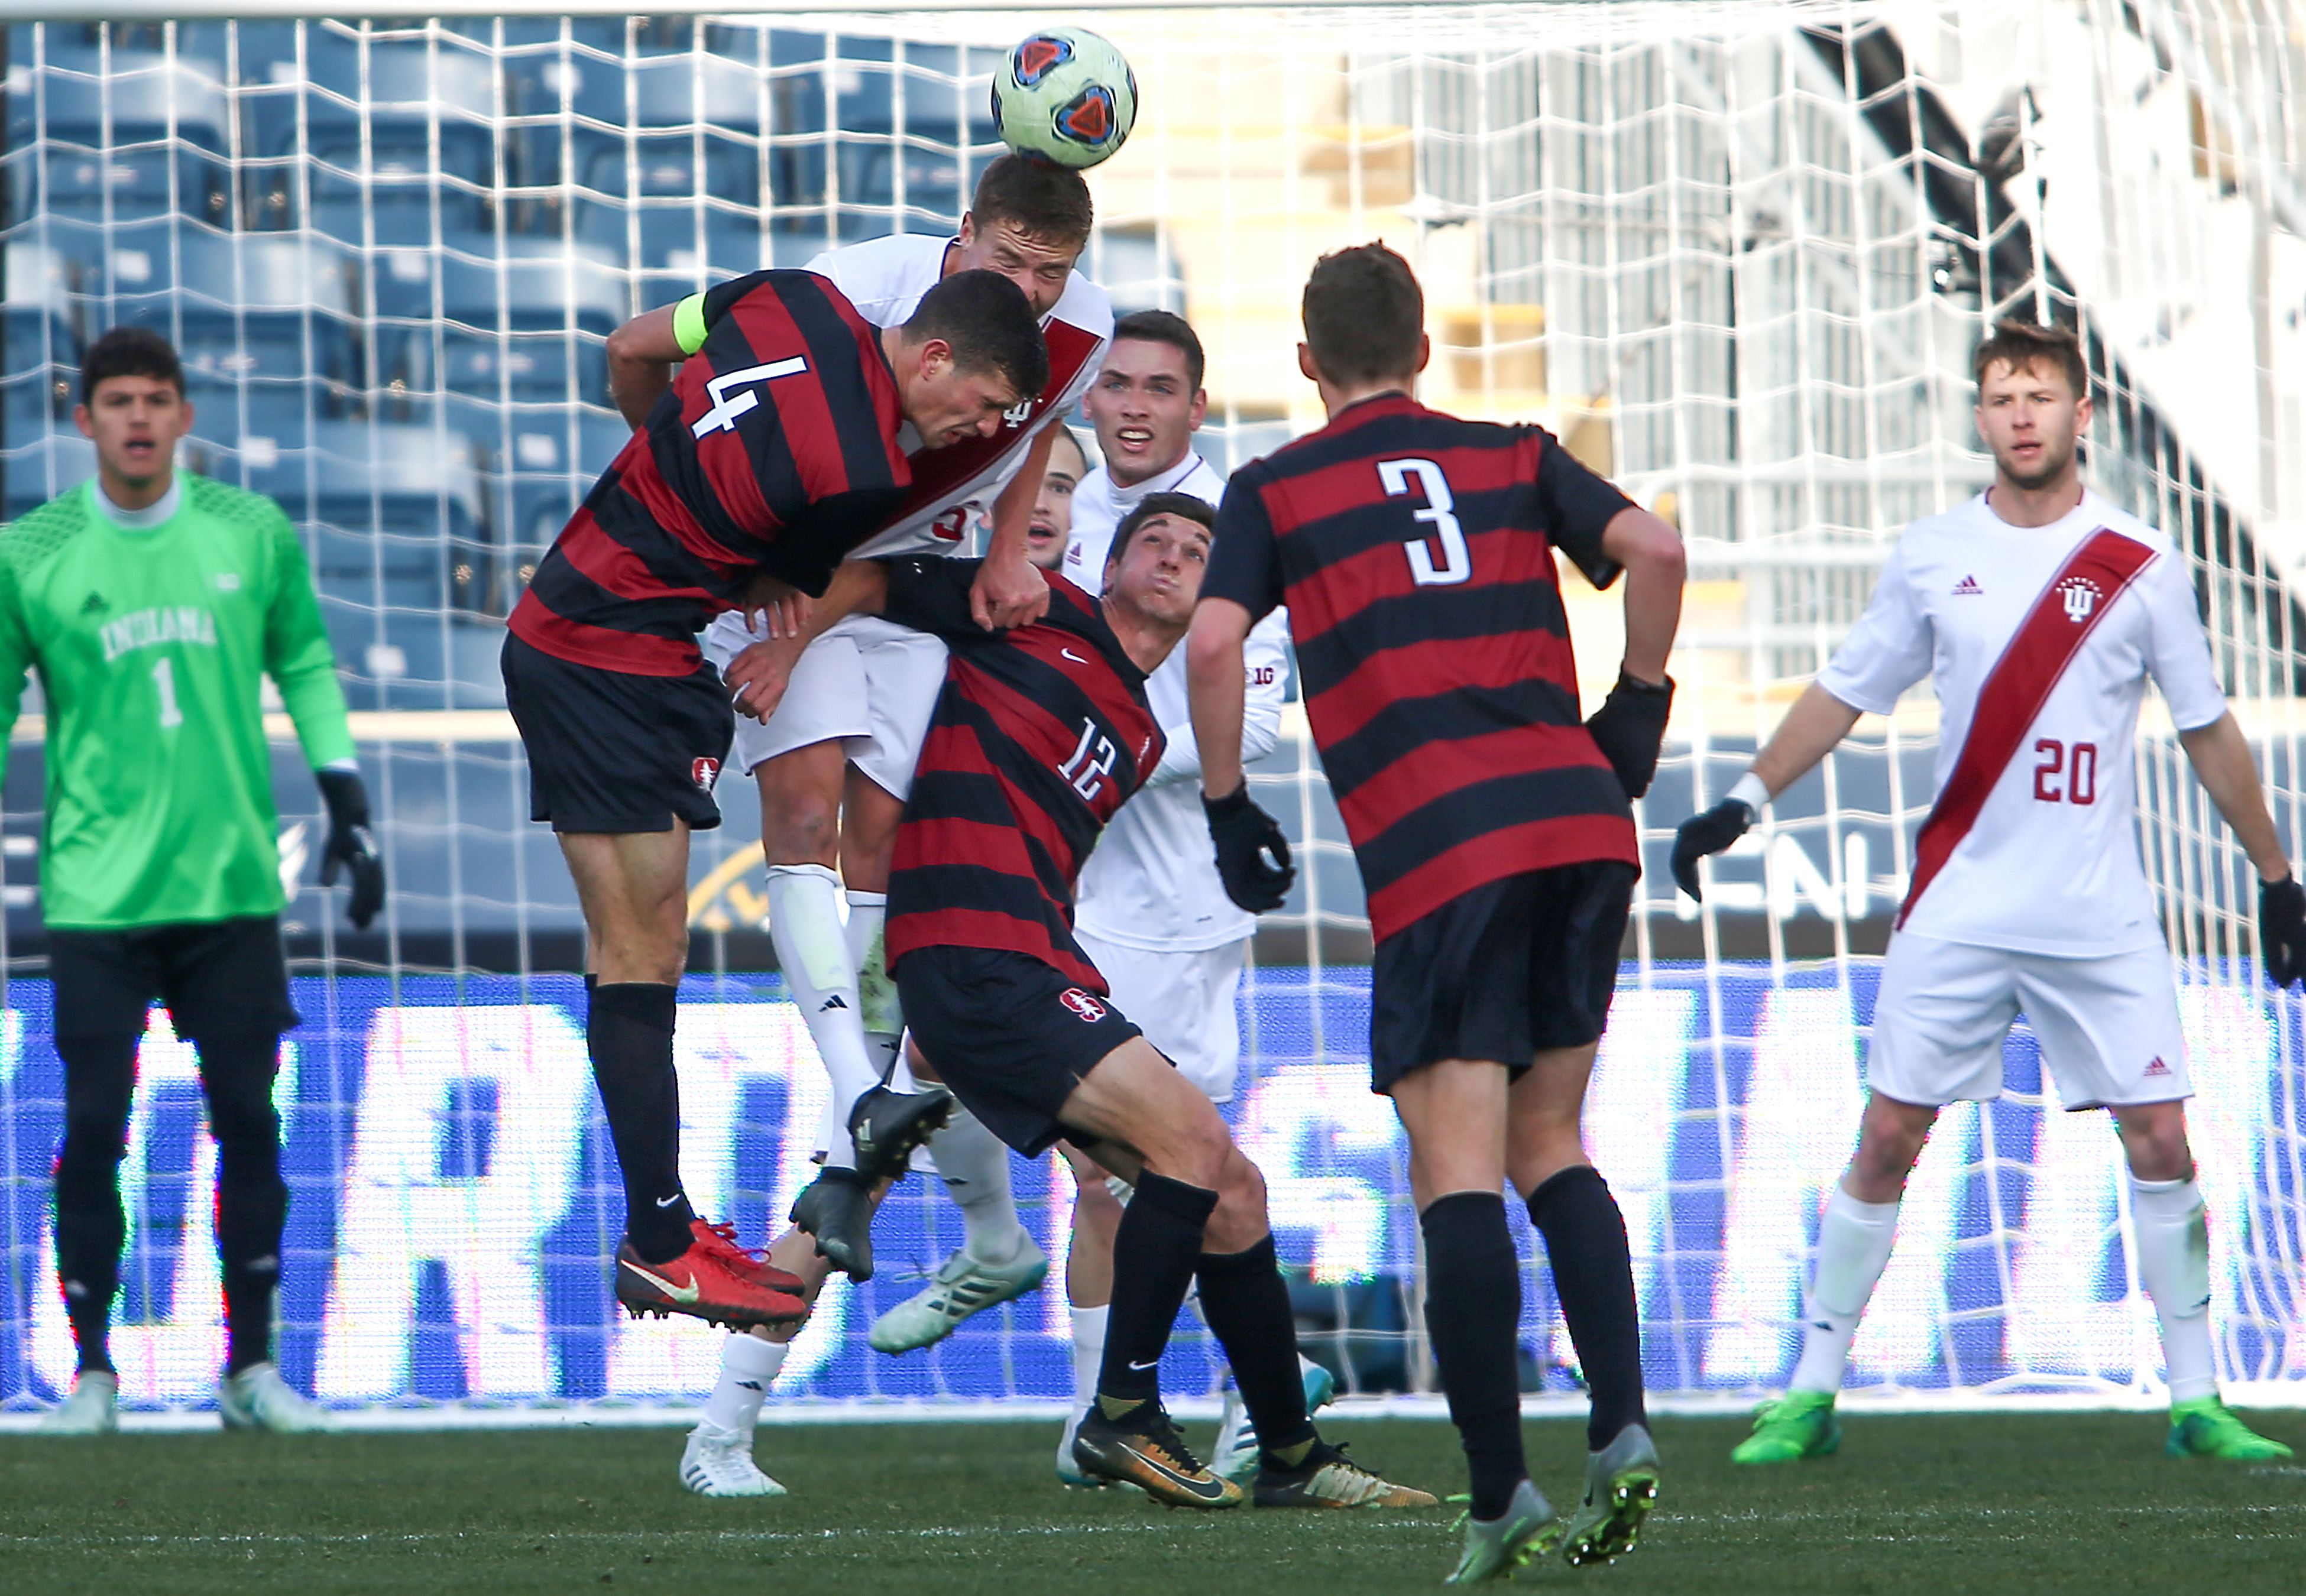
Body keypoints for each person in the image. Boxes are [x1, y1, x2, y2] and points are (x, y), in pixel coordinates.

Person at [1671, 319, 2302, 1468]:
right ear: (1980, 415)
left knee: (2160, 1138)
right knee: (1885, 1137)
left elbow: (2209, 731)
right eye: (2003, 395)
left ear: (2081, 417)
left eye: (2042, 395)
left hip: (2096, 912)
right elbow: (1844, 692)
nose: (2022, 414)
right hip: (1958, 905)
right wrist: (1746, 800)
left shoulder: (2141, 565)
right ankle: (1809, 1395)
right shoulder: (1929, 554)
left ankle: (2200, 1400)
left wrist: (2277, 874)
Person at [1186, 244, 1687, 1579]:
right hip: (1583, 823)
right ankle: (1623, 1424)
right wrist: (1639, 702)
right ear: (1423, 349)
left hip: (1441, 848)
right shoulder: (1517, 454)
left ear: (1305, 364)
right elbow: (1656, 546)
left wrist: (1231, 805)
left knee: (1453, 1170)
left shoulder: (1275, 489)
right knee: (1553, 1140)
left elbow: (1215, 642)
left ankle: (1498, 1492)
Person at [504, 265, 1049, 1335]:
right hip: (607, 660)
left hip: (598, 630)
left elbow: (629, 351)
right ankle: (662, 1246)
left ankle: (665, 1233)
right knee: (637, 955)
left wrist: (668, 472)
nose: (974, 432)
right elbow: (767, 588)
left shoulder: (793, 297)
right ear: (932, 357)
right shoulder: (858, 471)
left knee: (643, 947)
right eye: (980, 405)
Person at [916, 309, 1320, 1487]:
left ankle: (1277, 1438)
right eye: (1118, 385)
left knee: (1221, 1185)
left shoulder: (1205, 580)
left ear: (1199, 407)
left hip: (1175, 923)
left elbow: (1244, 707)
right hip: (1042, 937)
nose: (1135, 405)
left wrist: (1226, 795)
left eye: (1162, 388)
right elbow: (912, 610)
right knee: (1146, 1167)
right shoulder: (1036, 571)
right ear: (1088, 403)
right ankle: (1106, 1407)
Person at [696, 155, 1115, 1281]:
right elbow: (708, 376)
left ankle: (895, 1130)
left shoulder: (1083, 329)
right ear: (962, 229)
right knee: (804, 808)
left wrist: (1016, 546)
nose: (1030, 289)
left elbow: (1031, 438)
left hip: (912, 582)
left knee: (884, 844)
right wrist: (781, 622)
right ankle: (858, 1088)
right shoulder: (861, 283)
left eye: (1052, 271)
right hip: (805, 569)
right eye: (1011, 261)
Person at [9, 327, 386, 1435]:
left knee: (249, 1126)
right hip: (94, 893)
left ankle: (253, 1371)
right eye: (116, 399)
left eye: (156, 399)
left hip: (230, 886)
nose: (137, 417)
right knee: (92, 1129)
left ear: (183, 417)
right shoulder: (30, 551)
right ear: (83, 420)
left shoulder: (249, 532)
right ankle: (91, 1372)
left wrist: (346, 794)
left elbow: (305, 660)